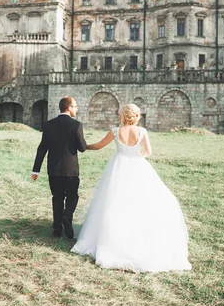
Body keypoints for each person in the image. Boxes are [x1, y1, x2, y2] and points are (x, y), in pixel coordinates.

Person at [71, 104, 192, 272]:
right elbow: (148, 151)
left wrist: (84, 147)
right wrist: (135, 157)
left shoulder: (115, 131)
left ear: (122, 116)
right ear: (135, 116)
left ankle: (110, 238)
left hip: (118, 166)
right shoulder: (142, 132)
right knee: (139, 201)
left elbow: (99, 146)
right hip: (137, 166)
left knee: (112, 201)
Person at [32, 96, 87, 238]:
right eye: (75, 107)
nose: (76, 109)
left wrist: (36, 169)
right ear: (69, 108)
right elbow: (82, 148)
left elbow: (42, 148)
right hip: (71, 170)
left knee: (57, 198)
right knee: (72, 196)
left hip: (54, 169)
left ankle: (57, 229)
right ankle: (67, 217)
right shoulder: (76, 125)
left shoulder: (48, 124)